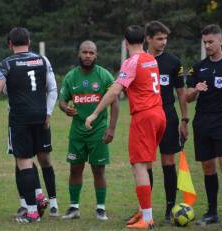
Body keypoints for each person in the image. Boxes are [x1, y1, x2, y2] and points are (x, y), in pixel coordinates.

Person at [85, 25, 166, 229]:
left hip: (144, 116)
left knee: (138, 165)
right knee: (145, 164)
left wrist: (95, 113)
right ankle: (142, 210)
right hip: (159, 114)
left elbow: (115, 91)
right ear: (145, 40)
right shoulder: (151, 59)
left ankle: (147, 218)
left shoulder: (132, 62)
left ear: (125, 42)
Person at [0, 27, 57, 223]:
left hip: (20, 119)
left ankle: (32, 213)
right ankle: (39, 197)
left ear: (10, 44)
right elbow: (52, 88)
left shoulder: (6, 64)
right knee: (38, 159)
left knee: (24, 163)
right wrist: (47, 113)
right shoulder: (42, 60)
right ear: (29, 41)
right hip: (41, 117)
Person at [59, 40, 119, 221]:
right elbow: (62, 100)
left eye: (91, 53)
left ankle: (100, 208)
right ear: (79, 54)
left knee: (98, 170)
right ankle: (73, 207)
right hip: (77, 132)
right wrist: (65, 108)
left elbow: (115, 103)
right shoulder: (71, 76)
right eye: (84, 52)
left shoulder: (105, 75)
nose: (87, 56)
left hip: (98, 131)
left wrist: (111, 128)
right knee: (75, 169)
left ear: (96, 55)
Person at [144, 20, 188, 223]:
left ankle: (170, 210)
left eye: (165, 38)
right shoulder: (139, 60)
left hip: (168, 116)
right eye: (159, 38)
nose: (163, 42)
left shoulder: (173, 62)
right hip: (146, 117)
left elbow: (181, 93)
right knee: (146, 164)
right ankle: (146, 211)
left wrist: (184, 120)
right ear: (148, 39)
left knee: (168, 161)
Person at [186, 24, 222, 226]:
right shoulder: (198, 67)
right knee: (208, 167)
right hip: (202, 122)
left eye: (211, 42)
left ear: (221, 41)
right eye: (205, 42)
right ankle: (212, 212)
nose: (208, 45)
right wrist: (195, 90)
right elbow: (187, 97)